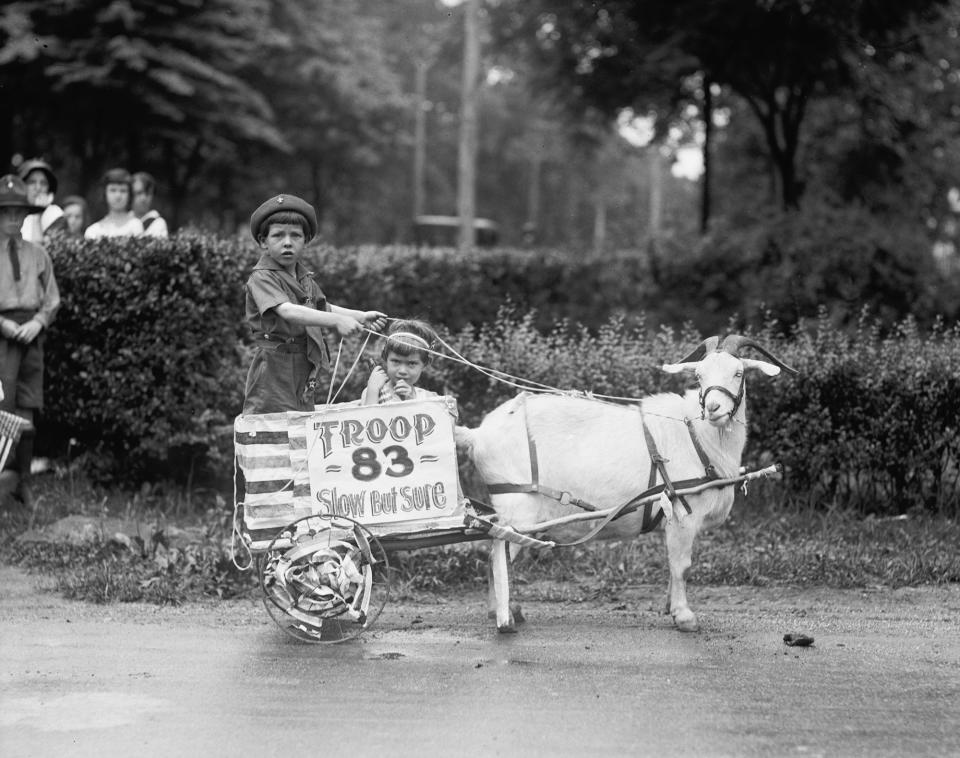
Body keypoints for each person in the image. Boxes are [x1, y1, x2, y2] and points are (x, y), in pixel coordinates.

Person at [242, 193, 387, 415]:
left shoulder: (303, 277)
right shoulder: (262, 277)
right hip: (274, 368)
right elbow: (288, 311)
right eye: (278, 235)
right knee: (275, 428)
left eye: (296, 236)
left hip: (302, 364)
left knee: (302, 426)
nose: (288, 242)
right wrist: (337, 321)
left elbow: (320, 307)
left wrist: (359, 316)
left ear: (306, 241)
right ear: (263, 241)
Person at [0, 175, 60, 507]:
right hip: (3, 335)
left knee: (27, 406)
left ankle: (22, 481)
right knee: (2, 407)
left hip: (31, 335)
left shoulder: (38, 255)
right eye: (5, 212)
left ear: (26, 215)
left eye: (18, 212)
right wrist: (5, 325)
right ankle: (1, 482)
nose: (12, 219)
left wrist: (38, 322)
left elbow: (52, 298)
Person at [361, 319, 440, 405]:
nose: (402, 371)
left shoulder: (429, 398)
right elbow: (367, 417)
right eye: (396, 361)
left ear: (425, 363)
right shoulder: (373, 392)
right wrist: (372, 391)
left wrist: (411, 400)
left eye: (411, 363)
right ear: (385, 358)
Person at [83, 168, 144, 239]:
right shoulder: (93, 231)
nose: (118, 196)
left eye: (123, 191)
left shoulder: (136, 225)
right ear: (104, 194)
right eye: (113, 190)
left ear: (130, 195)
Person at [18, 158, 66, 244]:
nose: (38, 188)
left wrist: (37, 213)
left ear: (49, 189)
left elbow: (38, 250)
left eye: (43, 183)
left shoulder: (55, 215)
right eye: (32, 182)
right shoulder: (12, 213)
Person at [132, 171, 169, 238]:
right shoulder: (123, 220)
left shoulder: (158, 223)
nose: (143, 198)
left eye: (148, 194)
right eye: (139, 193)